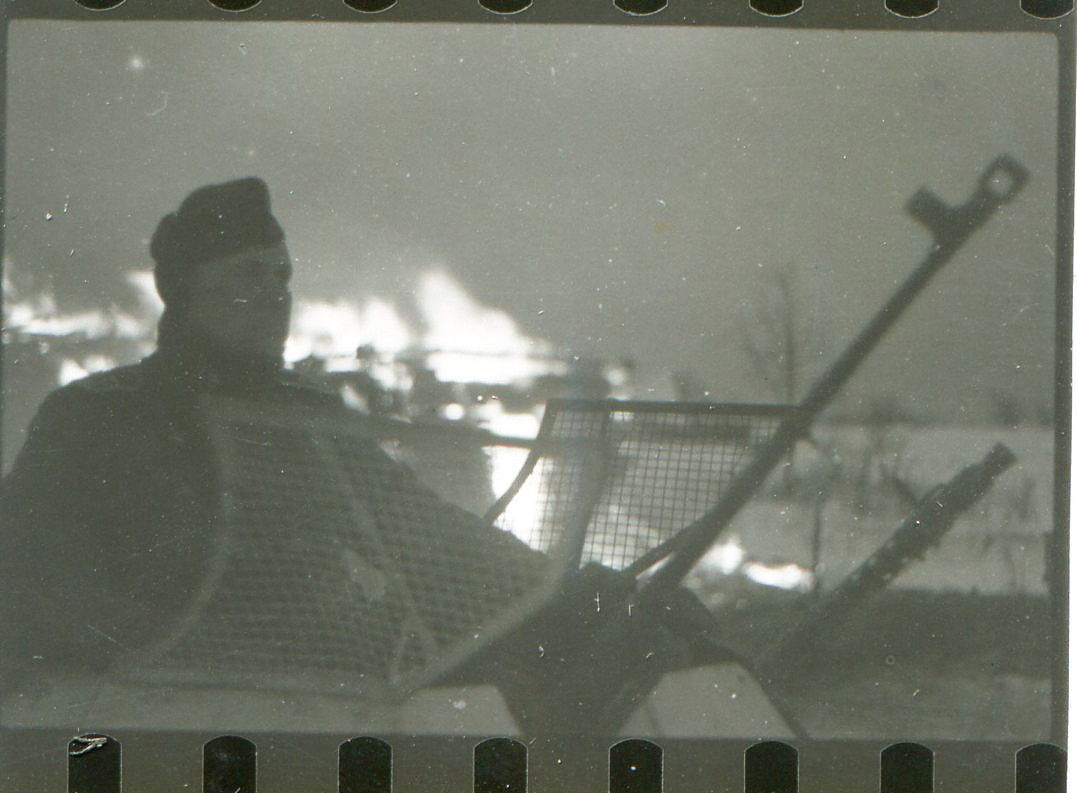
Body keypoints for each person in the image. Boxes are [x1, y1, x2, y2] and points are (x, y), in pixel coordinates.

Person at [0, 178, 547, 682]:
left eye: (281, 276)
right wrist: (177, 646)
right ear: (187, 291)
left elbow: (419, 531)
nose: (275, 295)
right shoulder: (96, 414)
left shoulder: (305, 416)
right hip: (164, 693)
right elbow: (32, 575)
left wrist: (548, 585)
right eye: (248, 275)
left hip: (323, 676)